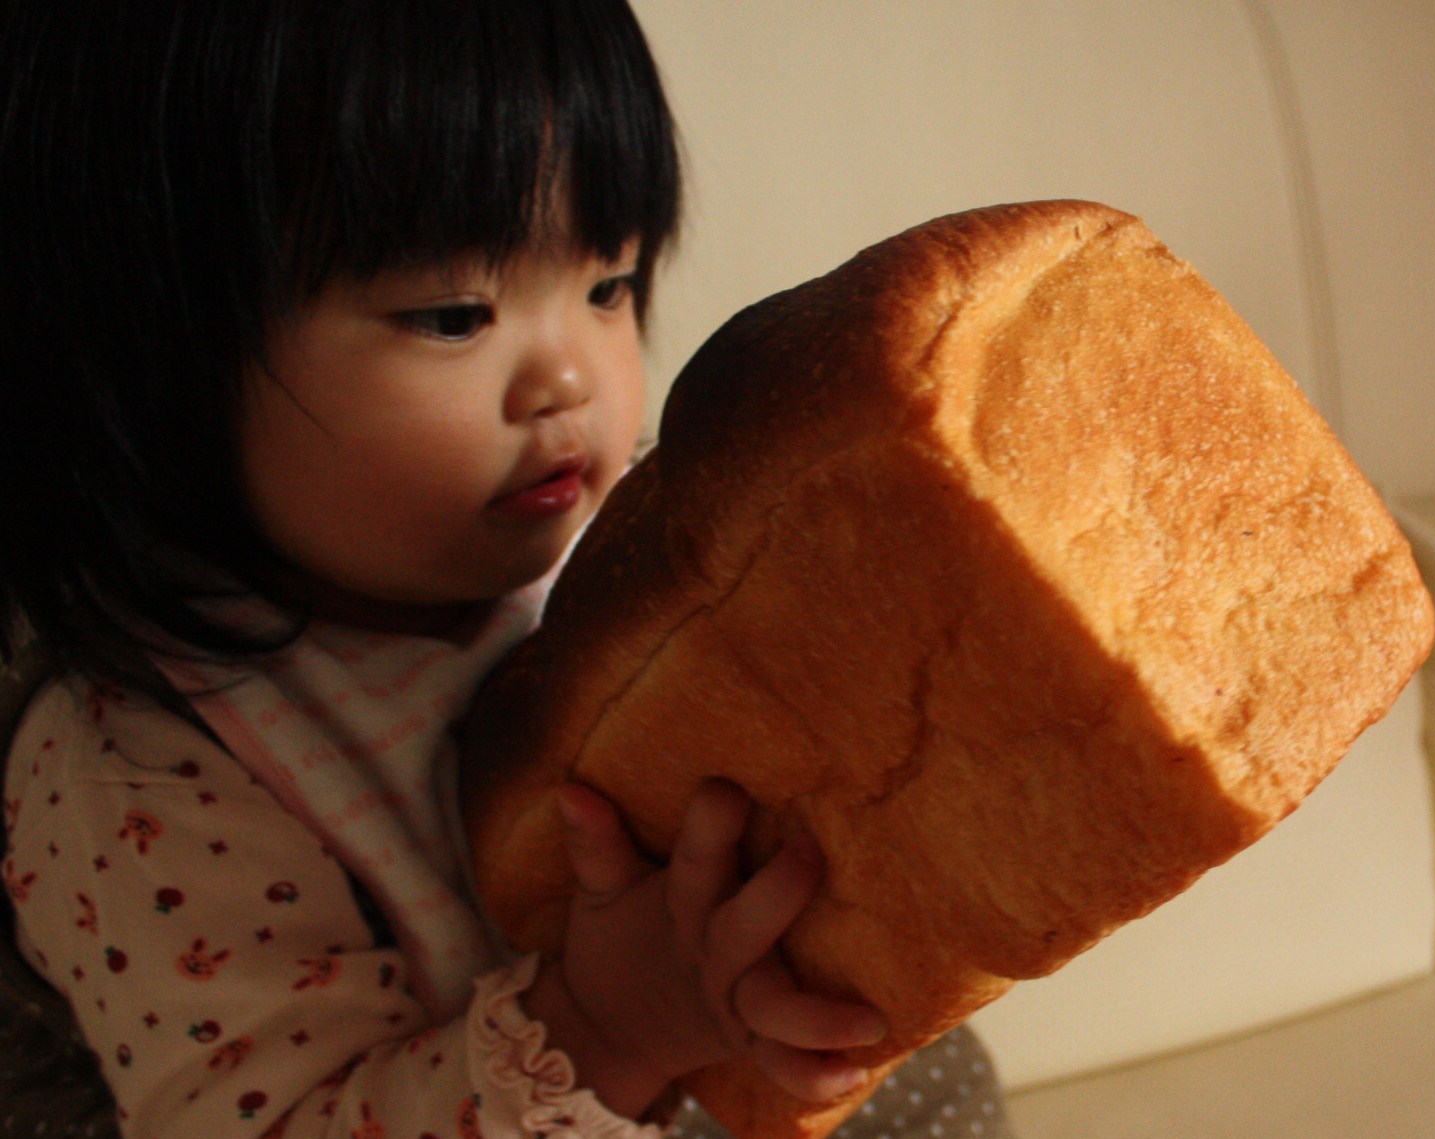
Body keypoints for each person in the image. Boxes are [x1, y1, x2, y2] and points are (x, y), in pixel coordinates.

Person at [0, 2, 1011, 1137]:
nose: (572, 380)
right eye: (451, 313)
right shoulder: (147, 761)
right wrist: (611, 1027)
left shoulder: (634, 539)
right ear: (149, 363)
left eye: (609, 285)